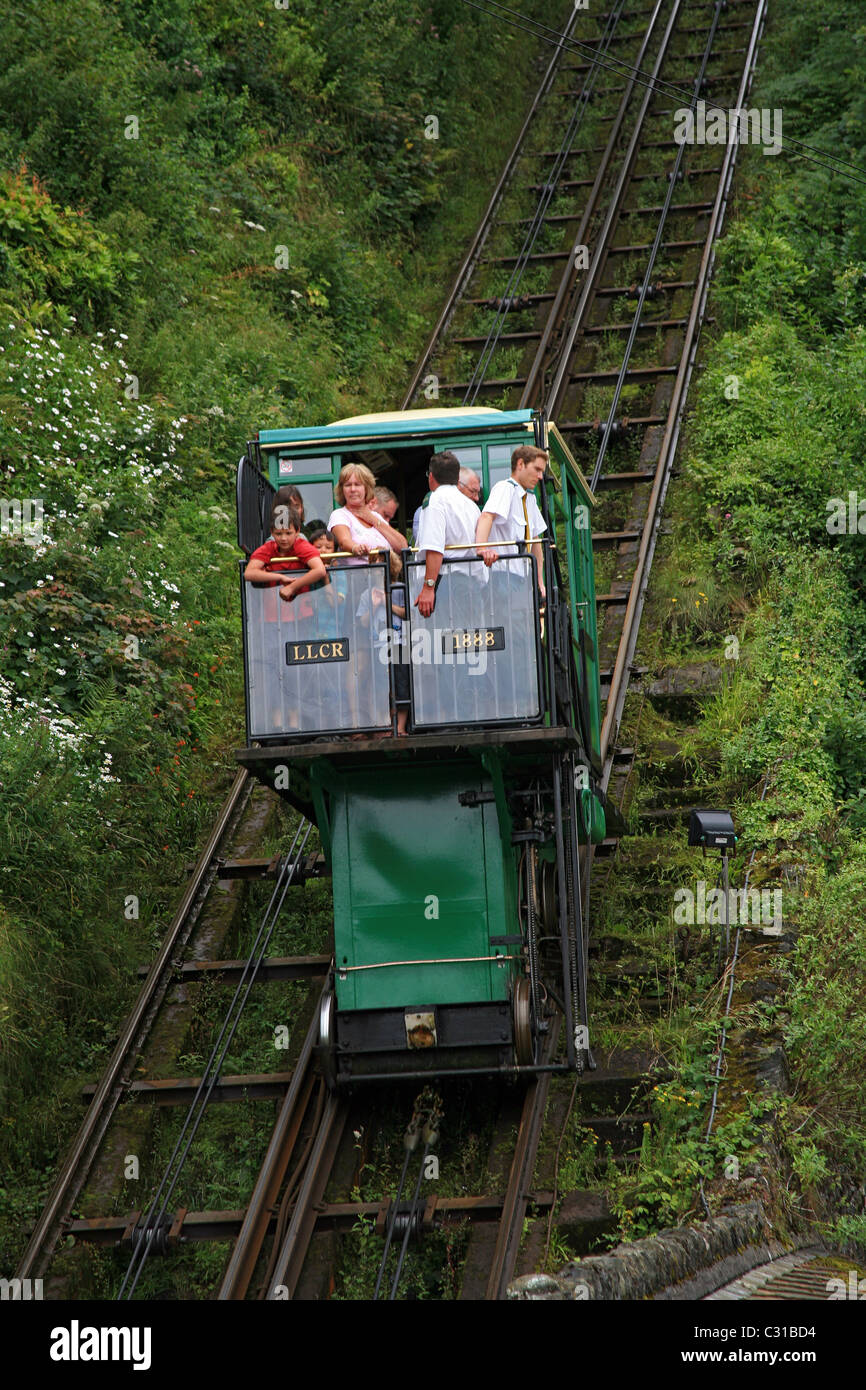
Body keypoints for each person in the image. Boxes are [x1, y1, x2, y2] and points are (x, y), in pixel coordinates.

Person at [243, 502, 326, 733]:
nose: (283, 539)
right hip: (272, 621)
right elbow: (250, 572)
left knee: (296, 669)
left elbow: (319, 570)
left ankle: (295, 720)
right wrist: (280, 578)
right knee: (274, 669)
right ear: (272, 532)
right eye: (278, 533)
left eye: (288, 533)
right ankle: (278, 722)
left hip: (300, 619)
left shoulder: (301, 545)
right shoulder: (269, 549)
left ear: (297, 531)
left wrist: (293, 586)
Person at [414, 451, 485, 619]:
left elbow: (434, 547)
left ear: (431, 476)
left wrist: (428, 588)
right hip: (471, 583)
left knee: (442, 640)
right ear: (455, 477)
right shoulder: (471, 506)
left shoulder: (435, 501)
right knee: (468, 641)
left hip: (446, 583)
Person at [475, 445, 547, 598]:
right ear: (520, 464)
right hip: (502, 575)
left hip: (522, 578)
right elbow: (486, 516)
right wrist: (481, 548)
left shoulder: (530, 499)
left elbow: (535, 541)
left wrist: (539, 582)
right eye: (537, 469)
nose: (540, 476)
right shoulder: (504, 488)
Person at [356, 549, 409, 736]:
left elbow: (407, 613)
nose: (378, 570)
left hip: (399, 644)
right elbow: (362, 622)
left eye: (381, 566)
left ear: (391, 567)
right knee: (380, 686)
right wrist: (374, 605)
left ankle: (400, 727)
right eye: (374, 566)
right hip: (378, 647)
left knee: (402, 685)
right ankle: (384, 726)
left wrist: (386, 601)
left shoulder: (400, 587)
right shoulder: (366, 594)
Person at [328, 463, 405, 561]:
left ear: (366, 488)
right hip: (356, 574)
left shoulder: (375, 516)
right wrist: (356, 548)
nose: (353, 489)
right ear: (342, 490)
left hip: (385, 575)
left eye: (357, 484)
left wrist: (373, 520)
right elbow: (344, 542)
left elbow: (402, 546)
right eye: (348, 485)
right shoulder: (339, 514)